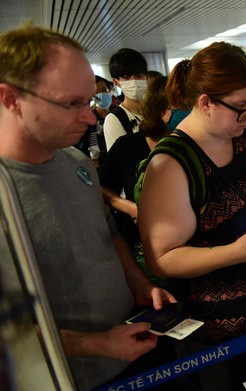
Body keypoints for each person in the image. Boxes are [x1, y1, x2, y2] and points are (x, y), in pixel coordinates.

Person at [0, 25, 175, 390]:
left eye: (90, 102)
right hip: (70, 377)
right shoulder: (6, 189)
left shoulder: (75, 162)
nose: (92, 119)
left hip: (133, 346)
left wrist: (140, 285)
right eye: (72, 104)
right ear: (11, 99)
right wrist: (96, 344)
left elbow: (107, 235)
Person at [137, 41, 246, 386]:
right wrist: (235, 253)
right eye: (241, 107)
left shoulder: (244, 132)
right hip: (222, 327)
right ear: (205, 103)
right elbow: (162, 259)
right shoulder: (171, 163)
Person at [100, 75, 171, 268]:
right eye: (181, 107)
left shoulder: (198, 144)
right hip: (143, 244)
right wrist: (132, 208)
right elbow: (102, 188)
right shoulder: (128, 146)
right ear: (161, 109)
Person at [104, 48, 148, 150]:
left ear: (146, 77)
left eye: (138, 75)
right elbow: (120, 160)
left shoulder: (159, 110)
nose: (134, 81)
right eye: (126, 77)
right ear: (116, 82)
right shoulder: (114, 119)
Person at [75, 75, 113, 166]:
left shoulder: (117, 114)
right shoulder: (88, 121)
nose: (102, 95)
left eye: (104, 90)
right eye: (97, 93)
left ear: (110, 90)